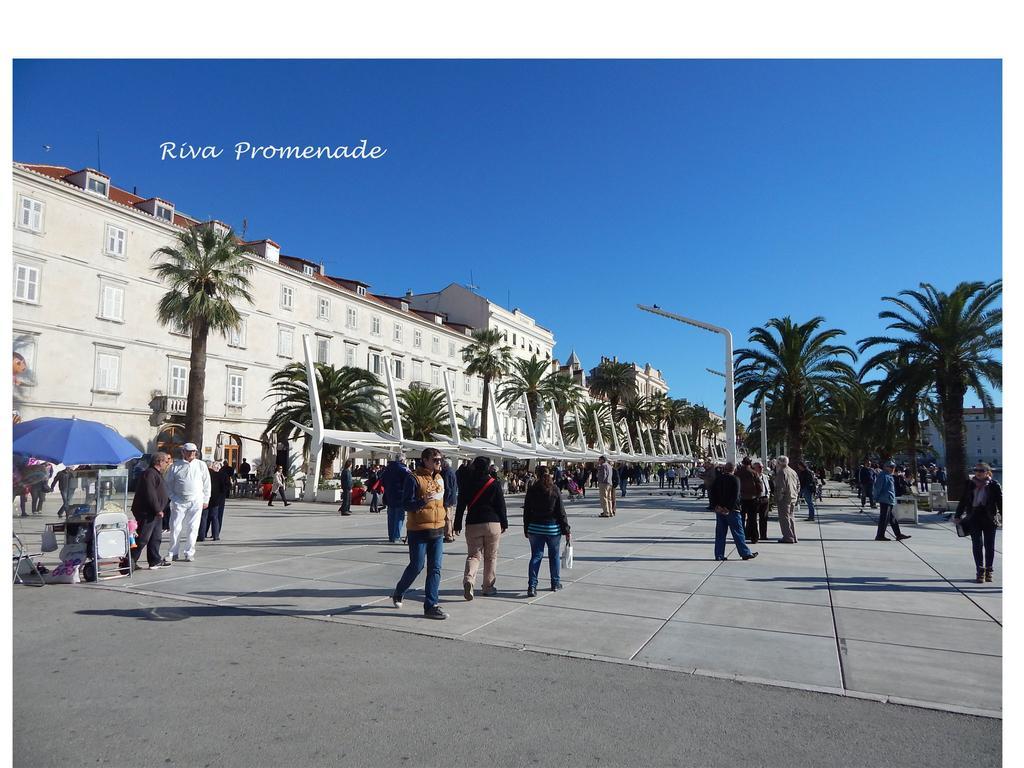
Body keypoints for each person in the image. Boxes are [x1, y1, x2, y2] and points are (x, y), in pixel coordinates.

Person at [390, 448, 448, 620]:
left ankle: (431, 605)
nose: (439, 462)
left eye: (440, 459)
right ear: (425, 460)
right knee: (417, 566)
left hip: (438, 529)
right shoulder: (413, 478)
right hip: (418, 530)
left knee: (435, 568)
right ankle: (399, 591)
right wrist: (423, 500)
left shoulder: (439, 478)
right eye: (435, 459)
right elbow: (406, 504)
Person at [454, 456, 508, 599]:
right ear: (488, 468)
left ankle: (469, 580)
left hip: (473, 523)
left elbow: (460, 506)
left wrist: (457, 523)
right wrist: (504, 522)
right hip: (492, 523)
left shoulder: (467, 483)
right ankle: (488, 587)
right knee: (490, 557)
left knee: (473, 556)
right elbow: (501, 506)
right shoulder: (494, 483)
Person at [523, 465, 571, 596]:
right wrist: (566, 529)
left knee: (536, 556)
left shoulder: (532, 490)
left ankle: (532, 586)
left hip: (535, 528)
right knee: (554, 556)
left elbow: (526, 511)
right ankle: (555, 583)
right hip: (552, 529)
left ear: (537, 475)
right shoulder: (554, 489)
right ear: (549, 474)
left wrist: (526, 527)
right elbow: (561, 511)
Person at [954, 463, 1002, 583]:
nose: (978, 472)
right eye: (976, 470)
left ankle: (989, 570)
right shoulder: (970, 484)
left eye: (981, 470)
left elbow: (1000, 502)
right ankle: (980, 571)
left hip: (989, 518)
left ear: (987, 472)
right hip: (974, 517)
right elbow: (964, 500)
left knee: (989, 545)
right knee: (977, 544)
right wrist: (957, 515)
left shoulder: (994, 485)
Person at [165, 443, 211, 563]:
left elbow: (207, 484)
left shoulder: (201, 465)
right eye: (189, 452)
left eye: (194, 452)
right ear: (183, 452)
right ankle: (173, 552)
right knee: (175, 527)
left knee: (193, 527)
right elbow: (168, 485)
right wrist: (173, 497)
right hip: (179, 501)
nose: (192, 454)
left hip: (196, 500)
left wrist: (206, 499)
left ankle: (189, 552)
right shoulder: (175, 466)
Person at [709, 462, 758, 561]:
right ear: (733, 469)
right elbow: (735, 495)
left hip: (720, 510)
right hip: (732, 510)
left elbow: (712, 492)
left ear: (724, 469)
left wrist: (715, 506)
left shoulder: (718, 479)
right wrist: (728, 507)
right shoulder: (735, 479)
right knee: (738, 532)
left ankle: (719, 554)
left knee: (720, 533)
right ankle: (745, 553)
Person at [131, 452, 172, 569]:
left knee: (156, 537)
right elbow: (150, 493)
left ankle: (155, 560)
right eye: (165, 461)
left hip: (156, 513)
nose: (167, 464)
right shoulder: (149, 474)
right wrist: (157, 508)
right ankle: (130, 560)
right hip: (147, 512)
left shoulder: (157, 474)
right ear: (158, 461)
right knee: (142, 538)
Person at [872, 460, 911, 542]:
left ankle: (898, 534)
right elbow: (877, 488)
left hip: (890, 499)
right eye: (891, 467)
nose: (893, 468)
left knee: (892, 518)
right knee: (884, 518)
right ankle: (880, 535)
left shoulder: (889, 475)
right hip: (885, 499)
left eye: (894, 467)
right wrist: (875, 498)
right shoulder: (882, 475)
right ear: (885, 467)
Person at [382, 454, 412, 543]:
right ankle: (396, 536)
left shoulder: (388, 468)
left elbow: (382, 481)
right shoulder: (403, 469)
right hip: (400, 495)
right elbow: (411, 479)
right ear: (403, 460)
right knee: (399, 517)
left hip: (389, 495)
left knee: (391, 517)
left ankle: (391, 536)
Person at [773, 456, 800, 544]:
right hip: (793, 497)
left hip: (785, 498)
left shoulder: (781, 472)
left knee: (784, 518)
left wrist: (777, 498)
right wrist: (796, 494)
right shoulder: (793, 471)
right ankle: (794, 536)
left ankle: (788, 537)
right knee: (791, 517)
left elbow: (781, 487)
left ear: (780, 463)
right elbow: (798, 485)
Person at [199, 461, 228, 542]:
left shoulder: (203, 475)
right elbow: (223, 488)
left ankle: (202, 535)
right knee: (215, 517)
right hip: (216, 499)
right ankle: (216, 535)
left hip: (205, 498)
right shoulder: (220, 475)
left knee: (203, 518)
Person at [735, 457, 760, 543]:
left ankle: (741, 536)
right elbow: (759, 485)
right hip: (752, 498)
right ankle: (754, 537)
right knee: (752, 519)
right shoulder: (754, 473)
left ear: (742, 463)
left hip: (741, 498)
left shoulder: (738, 473)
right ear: (750, 463)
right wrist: (758, 495)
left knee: (740, 518)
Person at [753, 461, 771, 542]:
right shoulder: (753, 476)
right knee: (753, 518)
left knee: (764, 518)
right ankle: (753, 535)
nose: (761, 469)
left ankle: (763, 535)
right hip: (756, 499)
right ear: (755, 468)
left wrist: (768, 496)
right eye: (759, 467)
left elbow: (768, 487)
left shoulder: (765, 476)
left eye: (762, 467)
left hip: (765, 498)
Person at [441, 457, 459, 543]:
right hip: (452, 498)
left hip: (448, 499)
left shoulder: (446, 473)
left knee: (447, 518)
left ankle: (448, 535)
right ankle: (451, 534)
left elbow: (447, 488)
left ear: (445, 464)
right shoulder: (452, 471)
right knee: (450, 517)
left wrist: (445, 501)